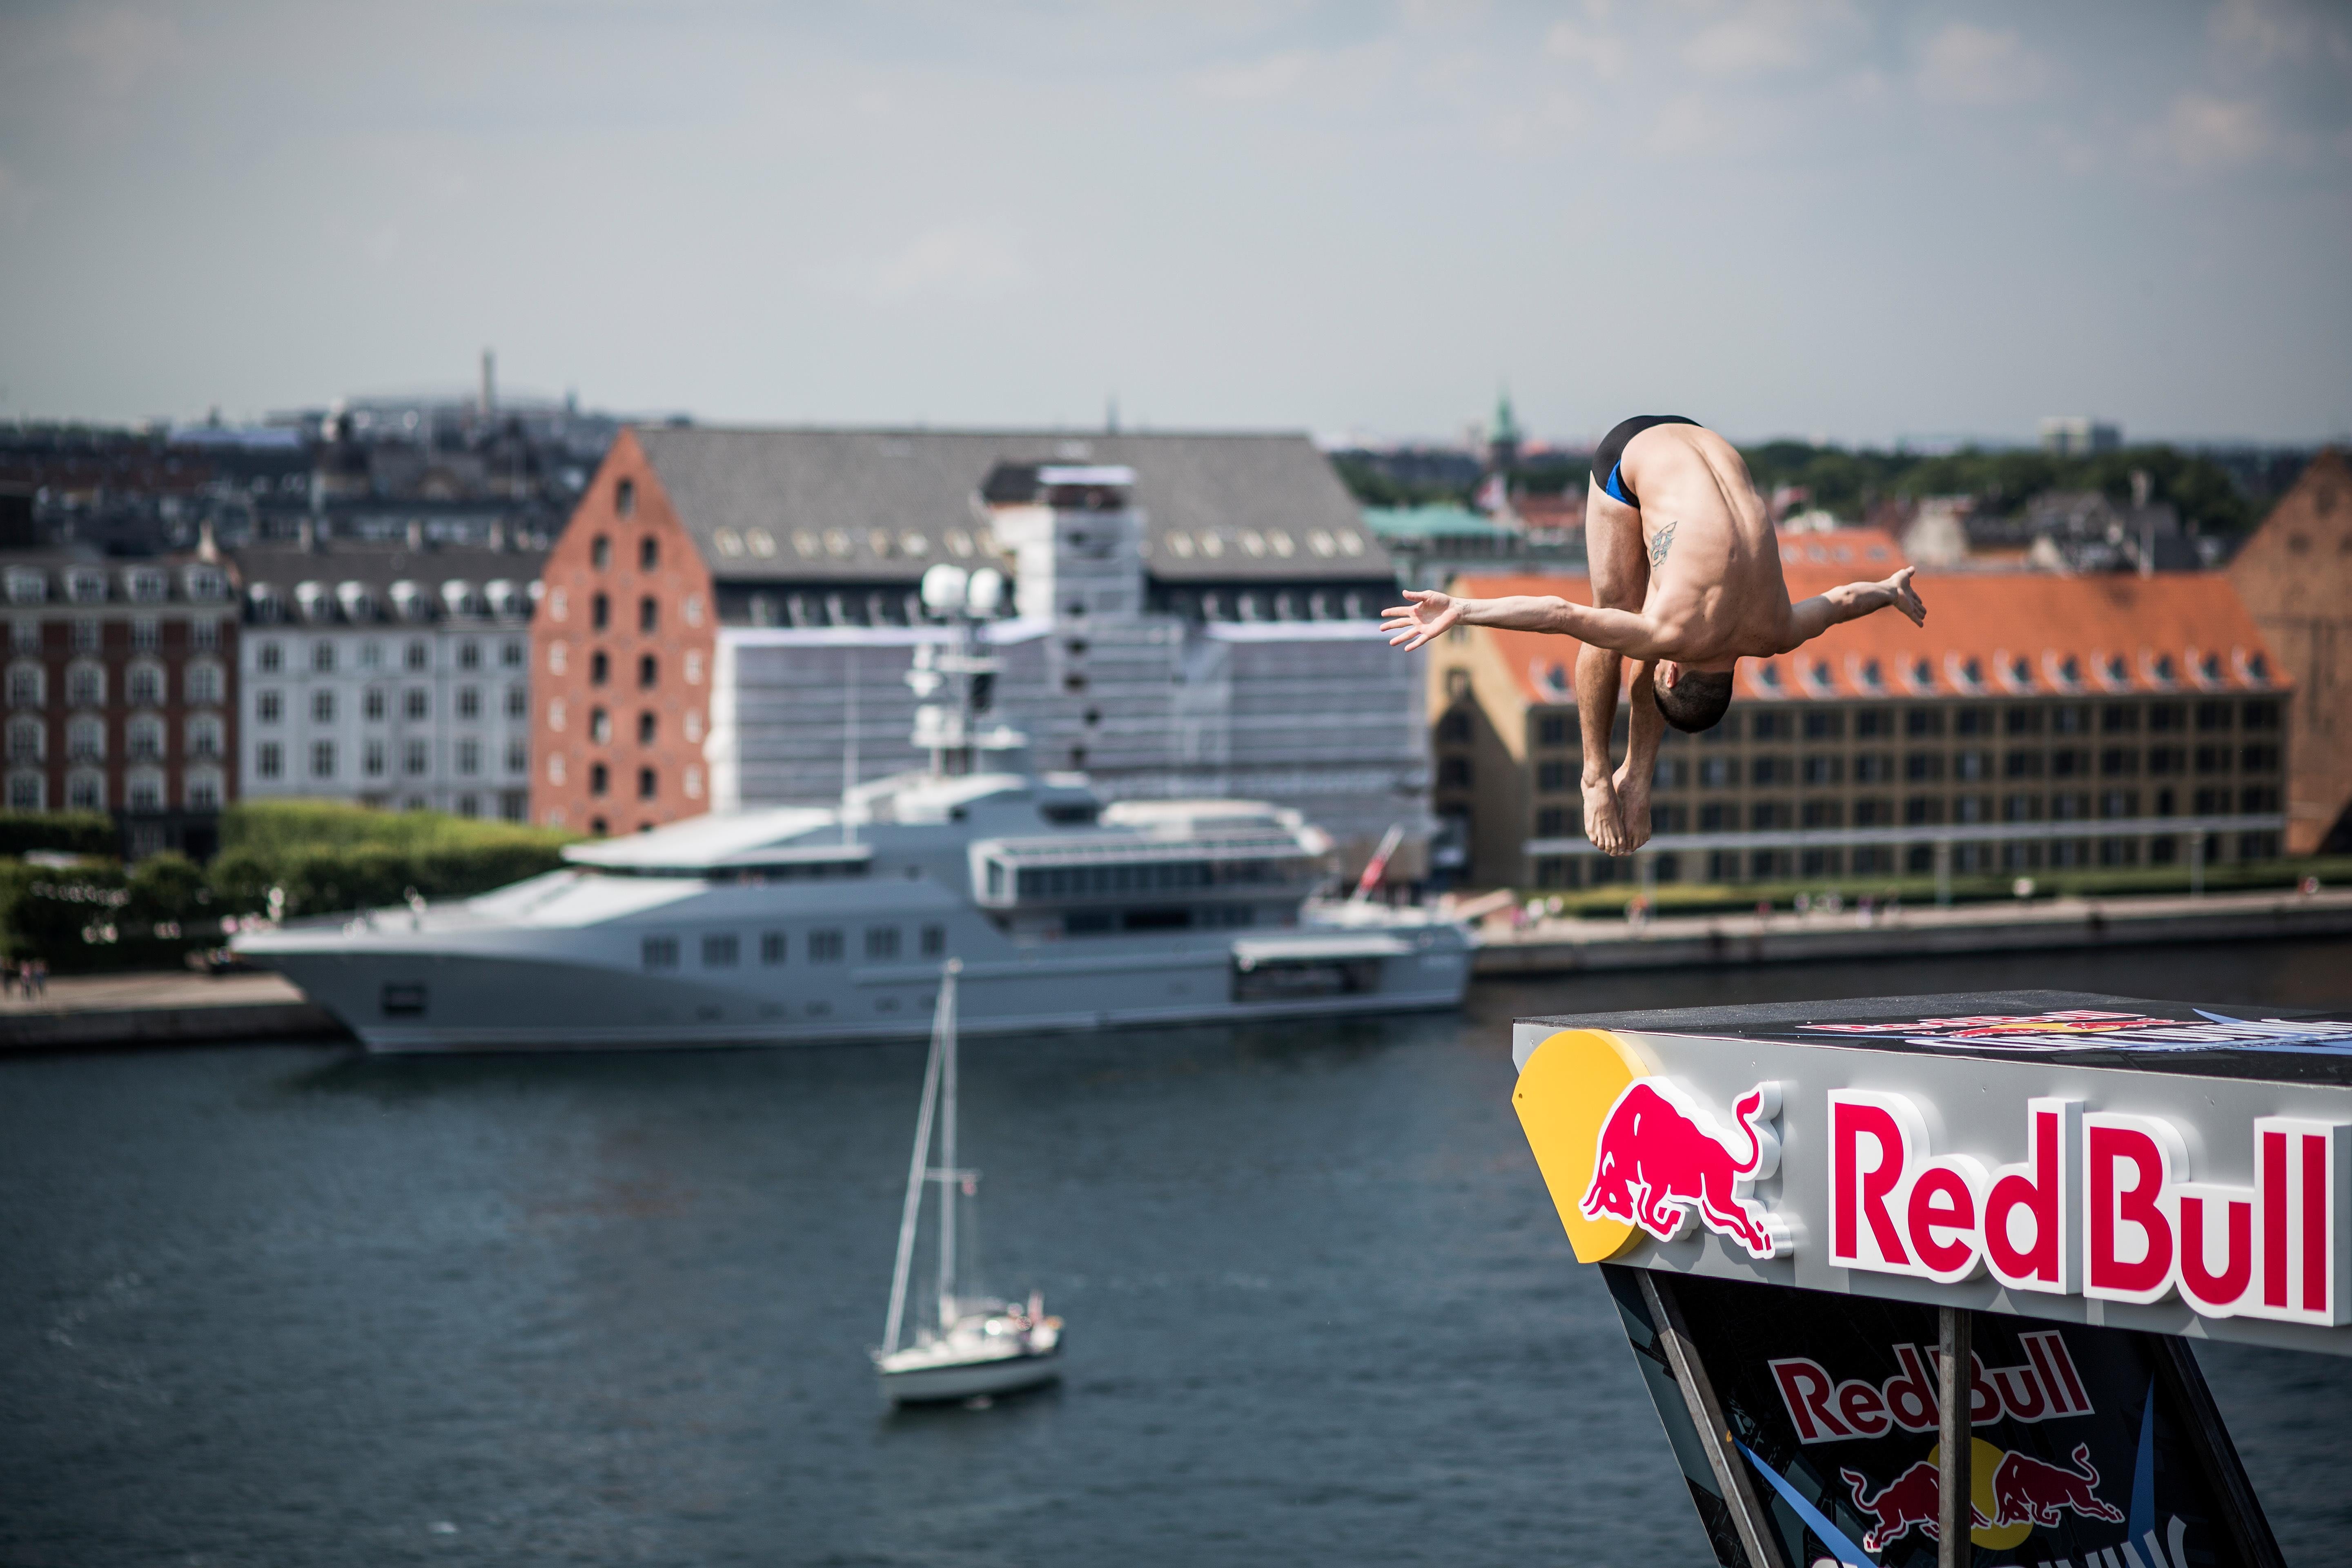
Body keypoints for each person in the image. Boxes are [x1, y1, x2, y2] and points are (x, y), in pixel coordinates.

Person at [1385, 415, 1924, 855]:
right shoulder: (1664, 634)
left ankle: (1636, 778)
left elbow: (1843, 602)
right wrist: (1460, 609)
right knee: (1612, 618)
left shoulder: (1777, 633)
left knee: (1630, 621)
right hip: (1629, 453)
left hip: (1709, 441)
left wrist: (1890, 590)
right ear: (1668, 671)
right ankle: (1597, 777)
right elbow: (1560, 615)